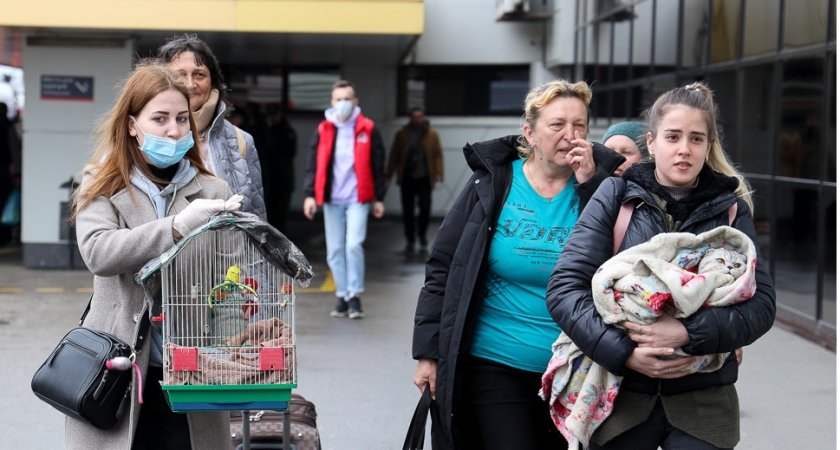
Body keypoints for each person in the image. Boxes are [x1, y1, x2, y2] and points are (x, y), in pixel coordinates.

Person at [546, 82, 776, 450]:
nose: (684, 149)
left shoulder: (731, 209)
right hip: (621, 402)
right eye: (673, 137)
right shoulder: (616, 196)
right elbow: (564, 289)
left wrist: (689, 333)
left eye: (696, 139)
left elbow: (762, 306)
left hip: (703, 407)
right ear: (651, 143)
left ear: (708, 145)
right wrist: (625, 354)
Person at [411, 79, 625, 450]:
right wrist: (429, 353)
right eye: (557, 125)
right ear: (530, 132)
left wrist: (592, 184)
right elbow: (444, 267)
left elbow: (619, 266)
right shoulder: (493, 184)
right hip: (496, 362)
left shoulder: (603, 190)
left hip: (574, 372)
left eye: (579, 126)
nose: (570, 135)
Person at [67, 61, 242, 450]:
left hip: (193, 374)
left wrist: (231, 353)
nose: (173, 130)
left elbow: (229, 281)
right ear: (132, 124)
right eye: (159, 118)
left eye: (181, 118)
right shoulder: (101, 183)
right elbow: (99, 252)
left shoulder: (213, 191)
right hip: (117, 373)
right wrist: (176, 226)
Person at [157, 34, 267, 219]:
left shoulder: (242, 141)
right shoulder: (143, 135)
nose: (190, 84)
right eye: (179, 75)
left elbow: (255, 214)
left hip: (226, 246)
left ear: (213, 81)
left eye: (199, 74)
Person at [302, 79, 386, 319]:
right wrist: (309, 195)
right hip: (332, 199)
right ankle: (342, 295)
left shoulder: (367, 128)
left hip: (358, 198)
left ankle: (355, 295)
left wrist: (380, 198)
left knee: (353, 245)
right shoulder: (324, 129)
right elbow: (313, 164)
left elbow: (378, 164)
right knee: (335, 250)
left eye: (347, 99)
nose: (343, 104)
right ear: (332, 102)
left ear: (356, 101)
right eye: (338, 99)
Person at [386, 107, 444, 253]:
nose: (417, 119)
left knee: (425, 207)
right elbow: (395, 154)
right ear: (410, 118)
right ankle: (410, 237)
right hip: (407, 177)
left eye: (420, 116)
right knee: (408, 210)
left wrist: (438, 172)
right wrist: (389, 173)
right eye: (414, 117)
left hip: (425, 177)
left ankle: (422, 234)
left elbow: (437, 154)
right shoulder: (402, 134)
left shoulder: (431, 134)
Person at [262, 106, 297, 232]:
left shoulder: (287, 132)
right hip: (272, 177)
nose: (273, 118)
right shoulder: (270, 130)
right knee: (271, 210)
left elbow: (289, 153)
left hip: (283, 178)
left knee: (281, 212)